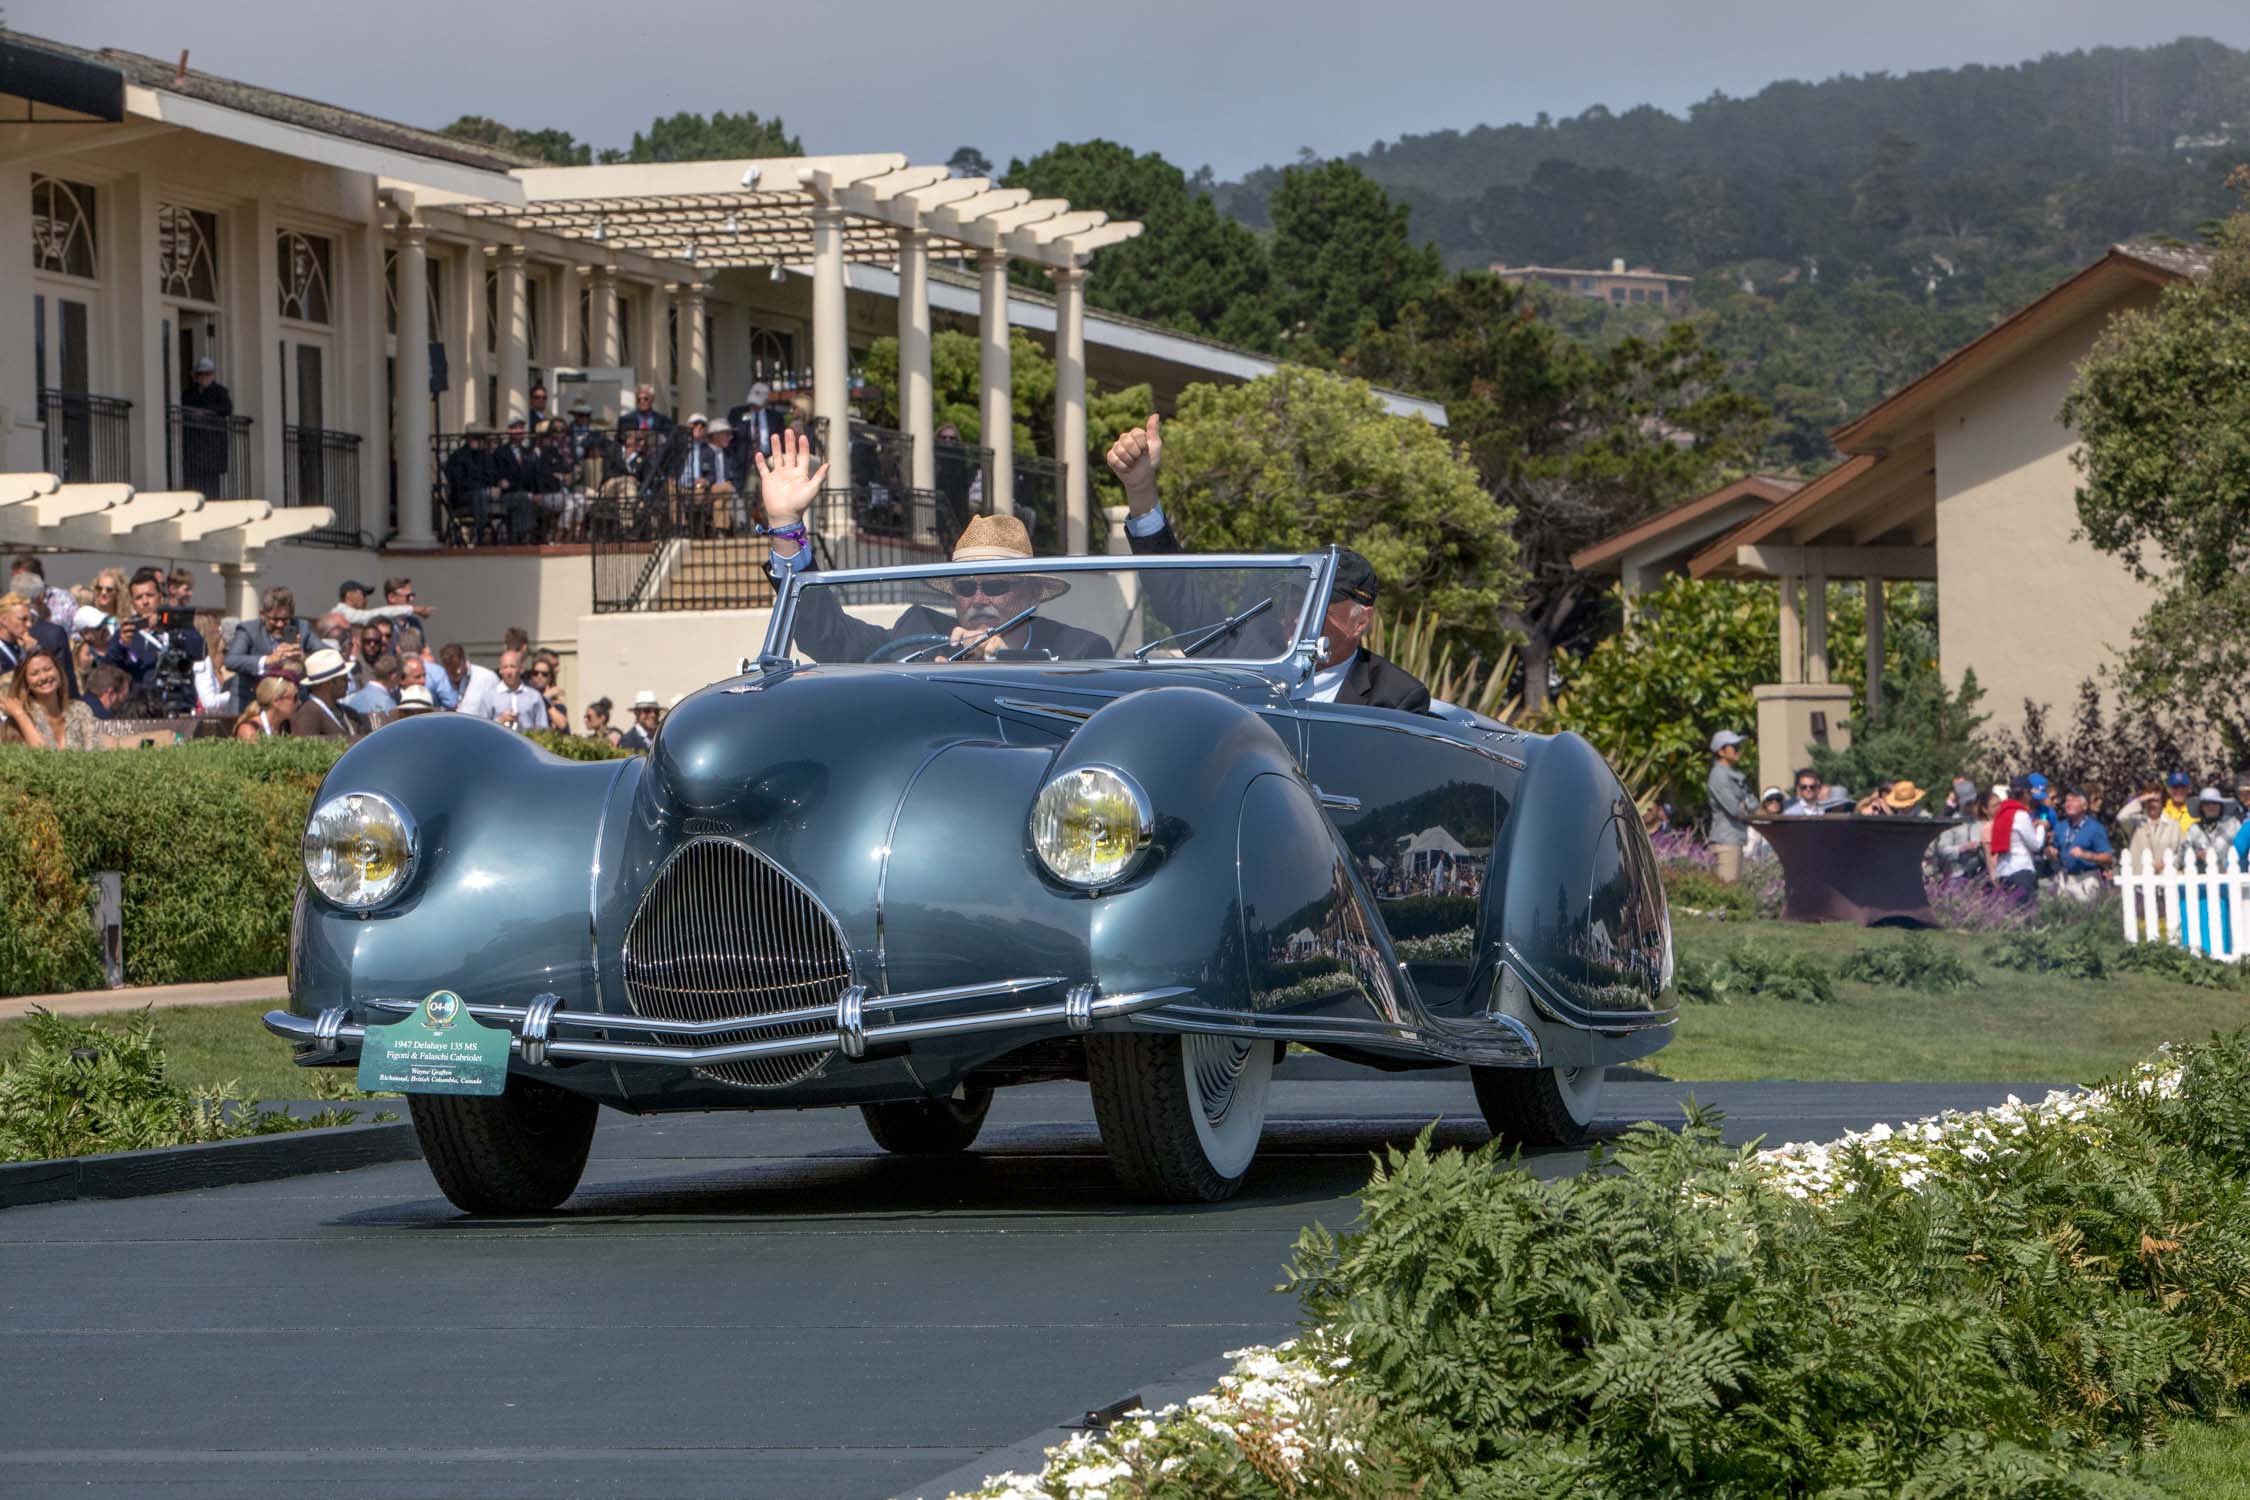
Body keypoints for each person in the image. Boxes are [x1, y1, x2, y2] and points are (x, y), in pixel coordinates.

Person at [1103, 413, 1430, 710]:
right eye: (1294, 601)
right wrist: (1141, 488)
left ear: (1361, 621)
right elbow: (1177, 596)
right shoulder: (1251, 652)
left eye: (1317, 609)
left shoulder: (1397, 698)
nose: (1297, 618)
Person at [760, 429, 1112, 663]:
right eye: (964, 586)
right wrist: (786, 526)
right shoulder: (918, 635)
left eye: (994, 584)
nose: (978, 598)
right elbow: (827, 635)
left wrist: (1003, 663)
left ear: (1034, 593)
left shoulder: (1078, 653)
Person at [106, 566, 206, 704]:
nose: (145, 601)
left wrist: (168, 626)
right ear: (133, 604)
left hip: (178, 702)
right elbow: (108, 670)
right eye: (139, 598)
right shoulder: (126, 632)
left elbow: (200, 651)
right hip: (140, 707)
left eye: (150, 595)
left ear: (160, 597)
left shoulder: (177, 622)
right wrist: (122, 645)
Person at [227, 587, 319, 700]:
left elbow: (329, 654)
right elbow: (231, 660)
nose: (280, 625)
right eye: (274, 619)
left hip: (292, 703)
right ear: (262, 614)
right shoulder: (248, 629)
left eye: (285, 620)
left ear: (292, 614)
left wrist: (303, 658)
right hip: (251, 701)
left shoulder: (302, 627)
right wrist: (268, 660)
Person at [0, 649, 98, 748]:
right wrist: (20, 715)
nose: (43, 677)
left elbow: (95, 752)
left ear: (58, 671)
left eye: (47, 669)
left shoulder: (80, 710)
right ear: (26, 682)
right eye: (34, 674)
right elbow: (41, 757)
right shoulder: (20, 719)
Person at [0, 589, 78, 698]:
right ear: (3, 620)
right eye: (23, 619)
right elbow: (8, 684)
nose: (29, 625)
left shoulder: (21, 646)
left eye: (31, 620)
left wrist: (35, 652)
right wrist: (27, 655)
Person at [1703, 729, 1755, 884]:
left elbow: (1753, 803)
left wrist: (1745, 803)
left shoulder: (1732, 774)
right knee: (1728, 892)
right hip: (1726, 841)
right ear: (1721, 751)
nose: (1738, 750)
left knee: (1735, 889)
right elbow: (1734, 809)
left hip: (1735, 839)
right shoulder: (1718, 775)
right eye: (1734, 746)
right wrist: (1745, 803)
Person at [179, 355, 233, 496]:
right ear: (196, 376)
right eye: (201, 375)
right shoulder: (189, 393)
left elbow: (227, 408)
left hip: (212, 446)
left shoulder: (220, 391)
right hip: (194, 445)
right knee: (194, 483)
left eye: (207, 374)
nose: (204, 378)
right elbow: (184, 407)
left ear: (212, 375)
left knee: (211, 484)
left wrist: (206, 413)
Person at [2052, 786, 2115, 901]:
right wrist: (2051, 851)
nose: (2068, 804)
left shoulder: (2095, 828)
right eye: (2067, 800)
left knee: (2086, 916)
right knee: (2062, 916)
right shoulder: (2060, 826)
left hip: (2086, 878)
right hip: (2064, 879)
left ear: (2084, 806)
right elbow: (2054, 849)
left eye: (2073, 800)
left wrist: (2086, 855)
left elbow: (2108, 857)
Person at [1990, 778, 2047, 900]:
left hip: (2003, 871)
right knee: (2027, 914)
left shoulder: (2001, 813)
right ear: (2025, 794)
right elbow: (2036, 845)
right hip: (2021, 869)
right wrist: (2042, 826)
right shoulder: (2020, 814)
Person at [289, 649, 359, 739]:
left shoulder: (348, 712)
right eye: (343, 678)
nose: (348, 681)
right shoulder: (308, 714)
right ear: (329, 683)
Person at [476, 649, 548, 734]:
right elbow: (481, 730)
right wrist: (500, 721)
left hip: (526, 744)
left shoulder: (534, 696)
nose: (509, 672)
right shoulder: (489, 697)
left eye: (512, 666)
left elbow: (543, 730)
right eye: (505, 667)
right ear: (500, 670)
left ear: (521, 669)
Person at [438, 642, 500, 719]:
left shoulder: (487, 678)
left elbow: (498, 710)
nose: (456, 673)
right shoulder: (442, 681)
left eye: (457, 668)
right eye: (450, 671)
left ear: (463, 660)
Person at [232, 675, 299, 740]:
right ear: (276, 701)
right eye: (295, 697)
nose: (299, 702)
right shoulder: (249, 731)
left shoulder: (285, 726)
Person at [343, 653, 403, 718]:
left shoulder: (353, 698)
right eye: (401, 676)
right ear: (394, 676)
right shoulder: (387, 703)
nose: (400, 680)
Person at [527, 655, 567, 730]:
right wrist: (545, 696)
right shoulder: (525, 696)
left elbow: (562, 725)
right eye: (535, 673)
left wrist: (545, 700)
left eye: (544, 674)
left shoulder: (556, 704)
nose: (539, 676)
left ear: (550, 677)